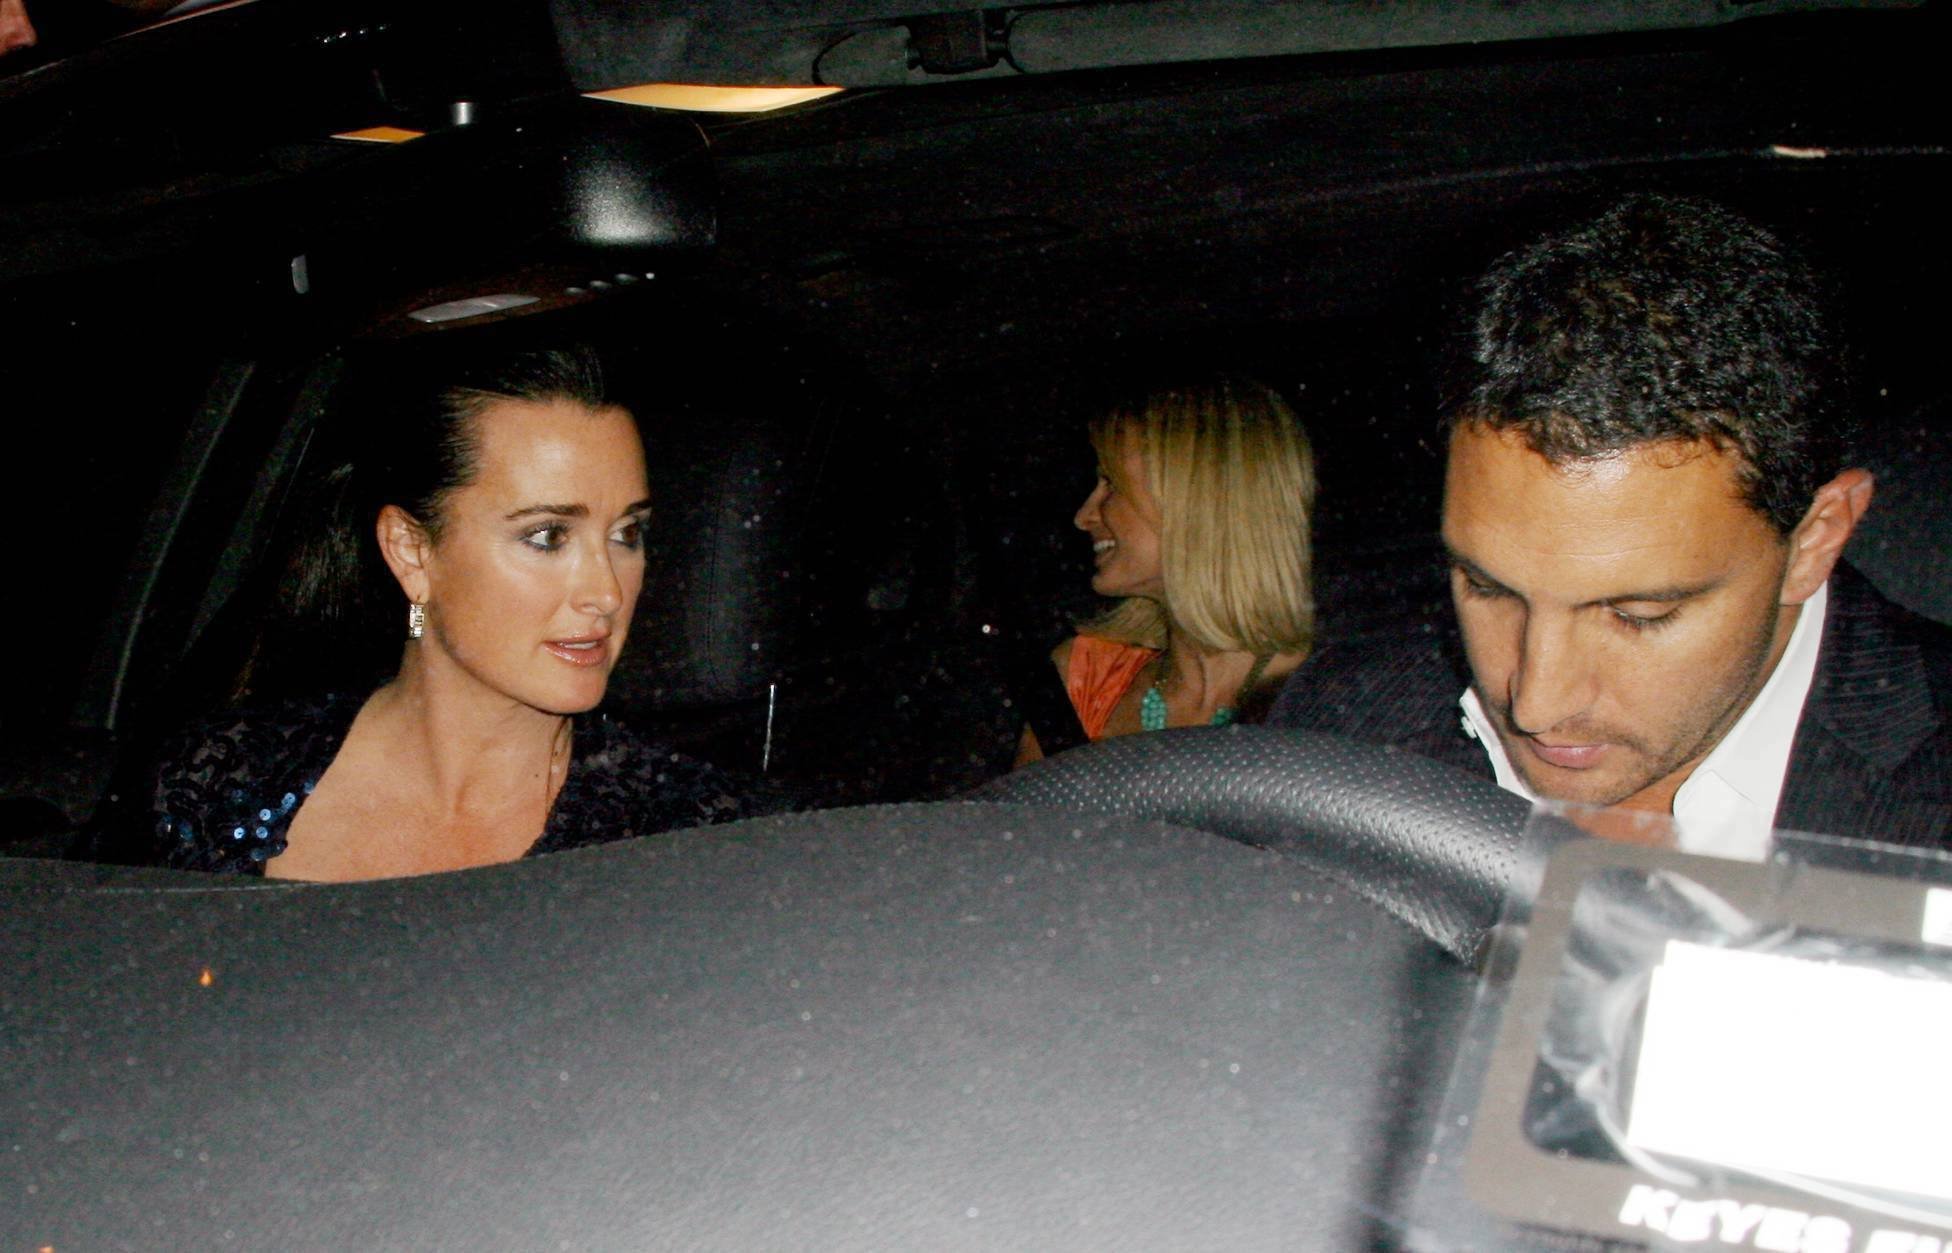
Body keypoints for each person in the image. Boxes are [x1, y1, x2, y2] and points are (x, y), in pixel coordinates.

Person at [1269, 193, 1952, 850]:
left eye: (1636, 614)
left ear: (1814, 541)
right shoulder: (1340, 728)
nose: (1536, 703)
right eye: (1488, 587)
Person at [137, 343, 758, 879]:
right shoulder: (223, 777)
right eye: (547, 537)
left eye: (627, 534)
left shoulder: (690, 834)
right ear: (412, 552)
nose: (608, 593)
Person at [1016, 377, 1317, 766]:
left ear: (1199, 498)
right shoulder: (1085, 679)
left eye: (1111, 484)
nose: (1084, 516)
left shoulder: (1328, 693)